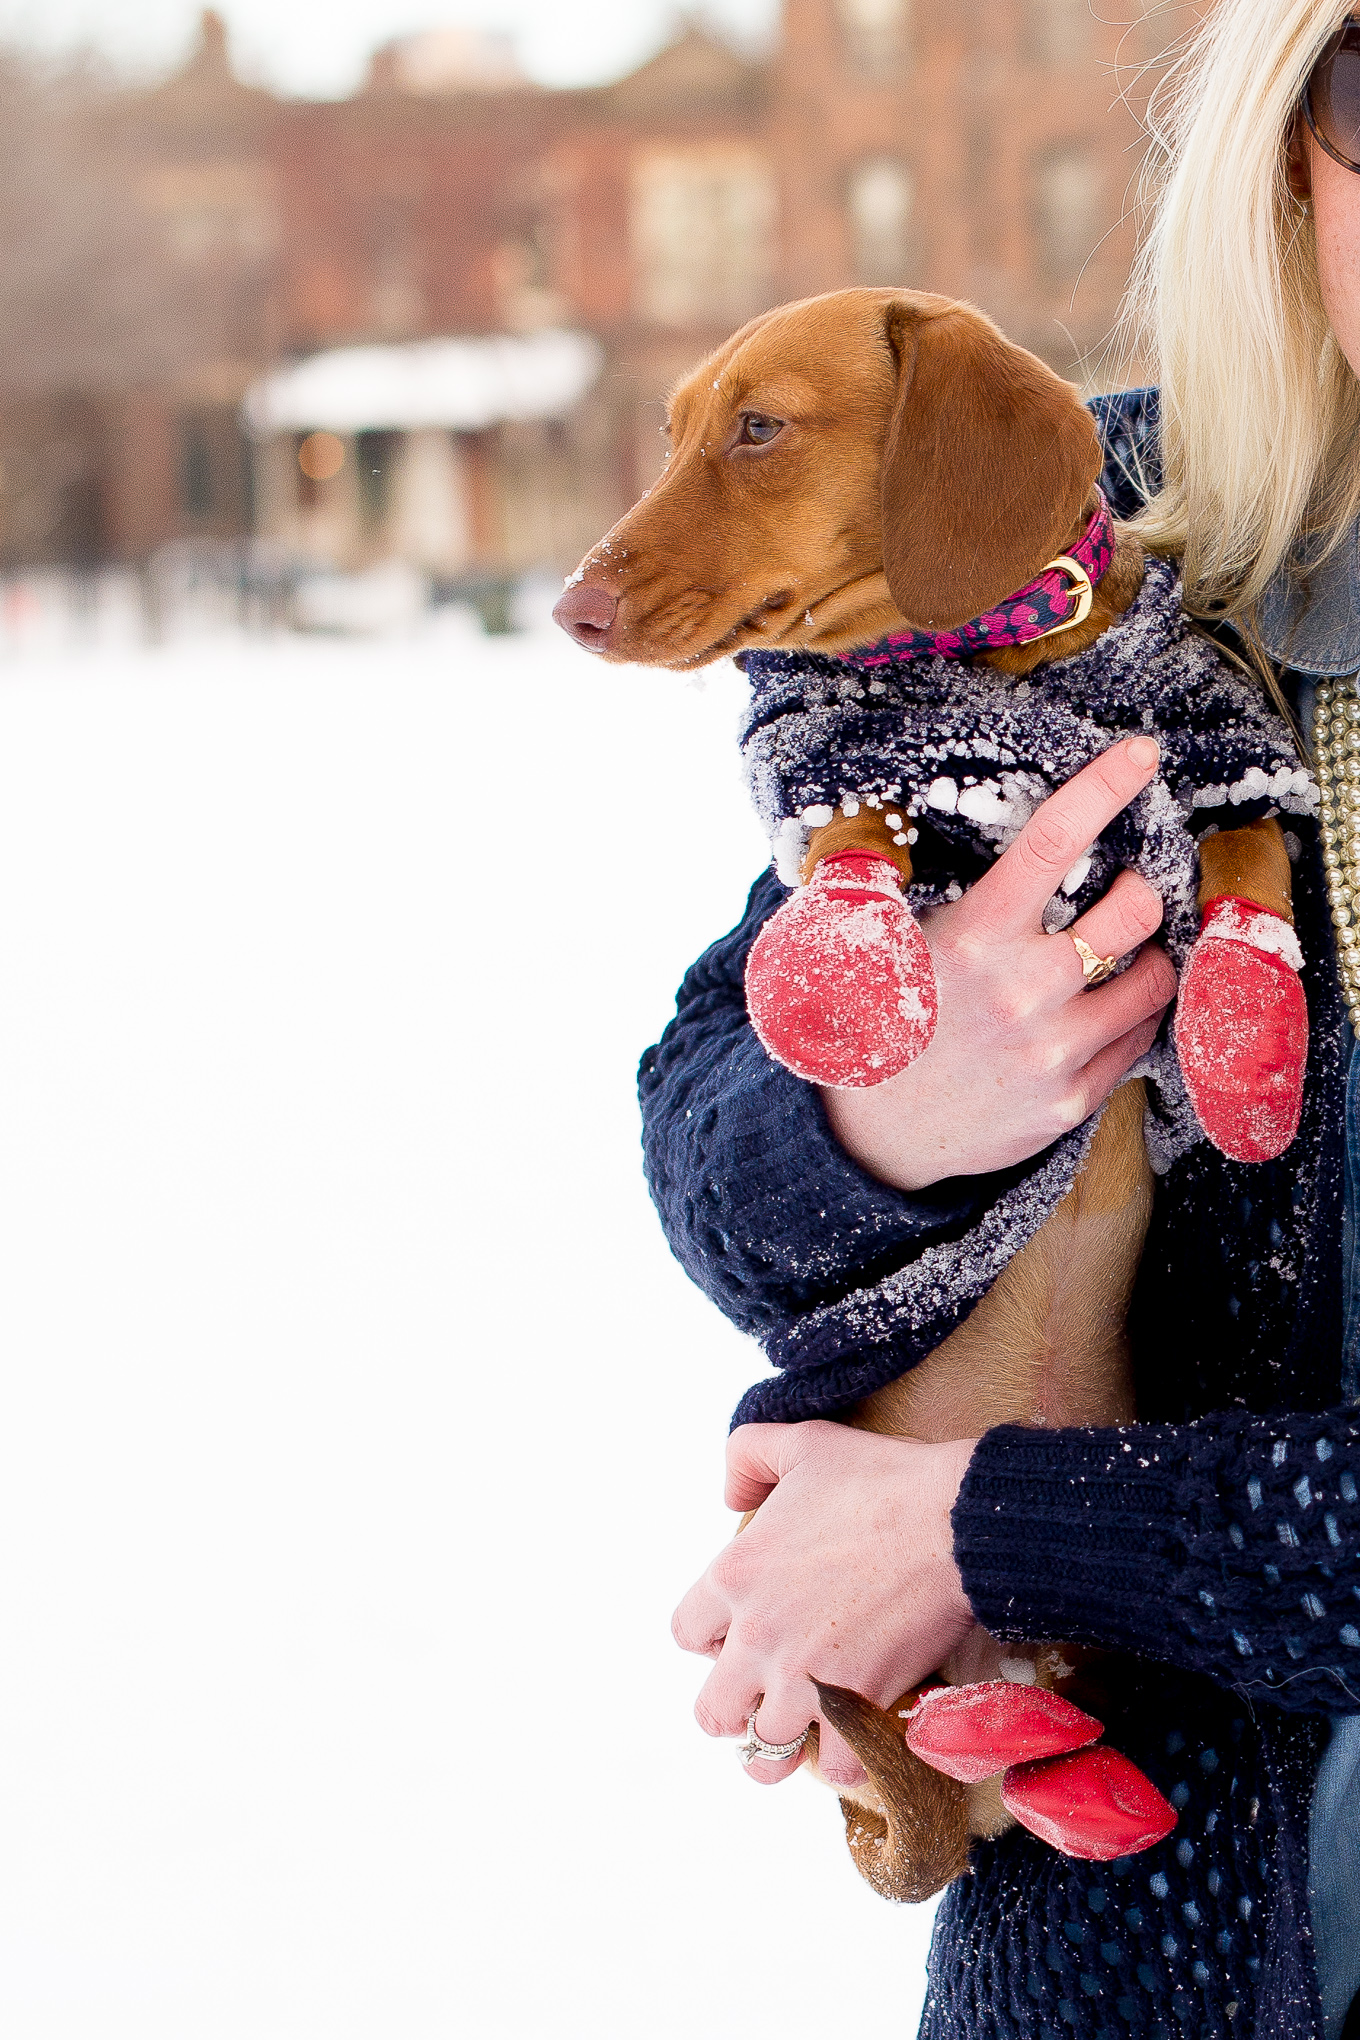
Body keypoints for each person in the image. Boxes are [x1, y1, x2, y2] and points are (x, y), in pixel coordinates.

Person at [645, 4, 1360, 2035]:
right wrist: (901, 1109)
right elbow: (708, 1140)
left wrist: (987, 1528)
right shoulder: (1071, 531)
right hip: (1128, 1981)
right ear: (1281, 143)